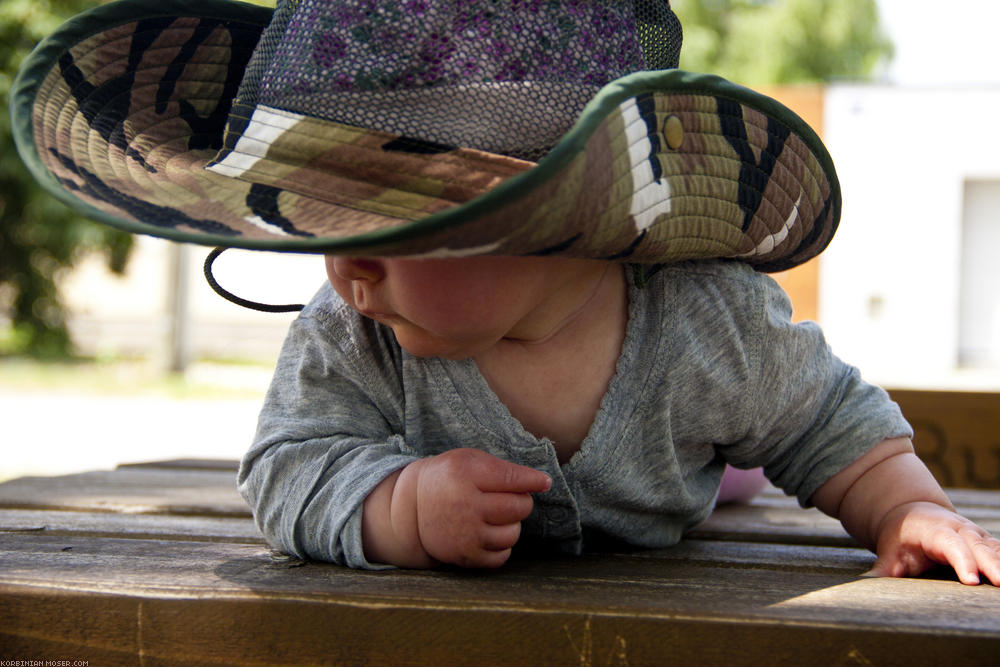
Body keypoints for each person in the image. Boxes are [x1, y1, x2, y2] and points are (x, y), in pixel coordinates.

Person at [12, 0, 999, 582]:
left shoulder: (705, 318)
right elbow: (284, 466)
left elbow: (827, 418)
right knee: (730, 438)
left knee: (751, 443)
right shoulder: (355, 333)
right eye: (326, 222)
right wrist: (396, 504)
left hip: (682, 464)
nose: (348, 268)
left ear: (568, 223)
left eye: (403, 227)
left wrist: (900, 506)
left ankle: (724, 463)